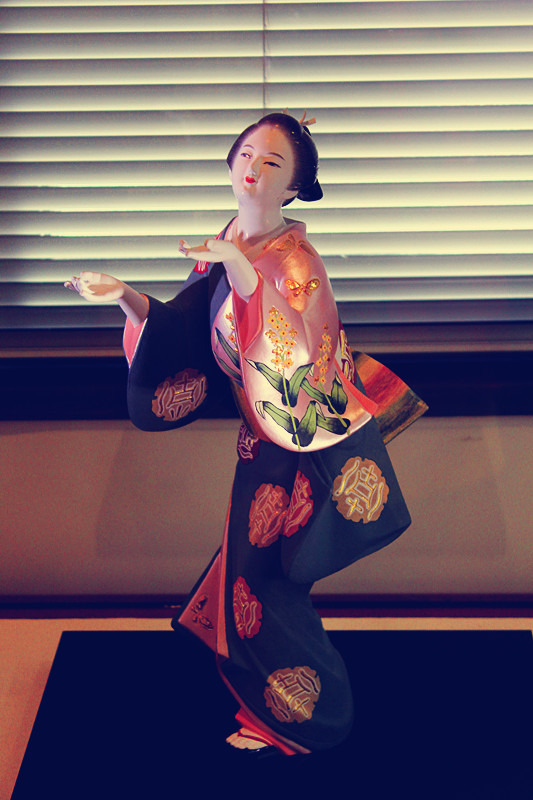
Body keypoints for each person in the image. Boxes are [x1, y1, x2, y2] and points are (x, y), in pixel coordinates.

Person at [65, 112, 425, 756]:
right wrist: (125, 297)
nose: (254, 169)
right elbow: (183, 328)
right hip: (257, 445)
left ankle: (311, 715)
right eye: (247, 154)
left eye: (273, 162)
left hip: (303, 448)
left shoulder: (297, 260)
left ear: (295, 187)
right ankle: (268, 701)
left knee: (269, 581)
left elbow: (297, 358)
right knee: (249, 573)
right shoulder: (232, 237)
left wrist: (241, 269)